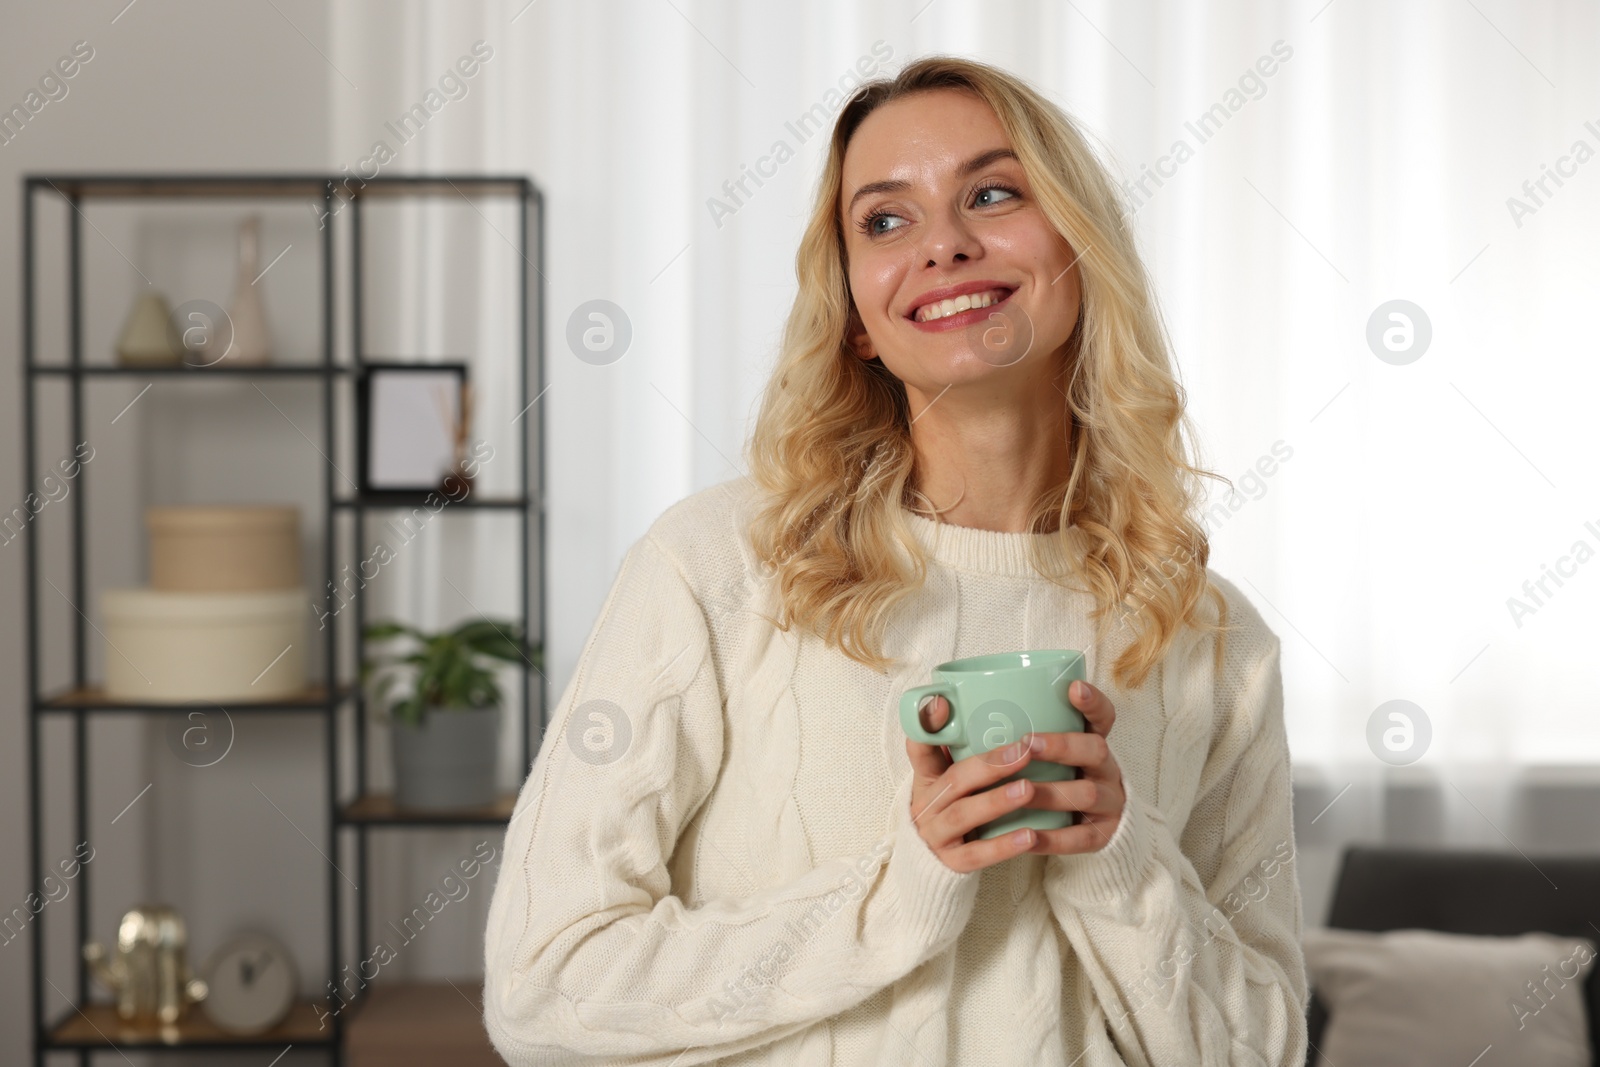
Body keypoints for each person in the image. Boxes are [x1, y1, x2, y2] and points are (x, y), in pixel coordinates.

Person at [484, 54, 1309, 1067]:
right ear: (858, 320)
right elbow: (545, 990)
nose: (945, 246)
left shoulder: (1211, 637)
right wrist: (902, 887)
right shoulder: (716, 569)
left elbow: (1259, 1048)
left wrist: (1116, 854)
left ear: (1079, 246)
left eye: (992, 193)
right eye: (884, 221)